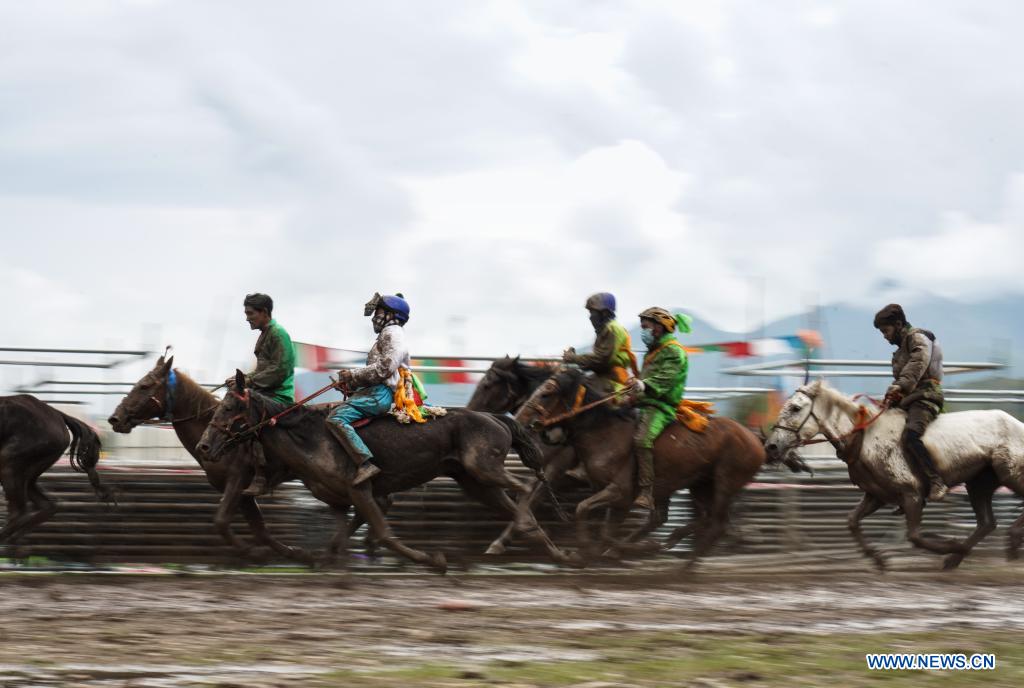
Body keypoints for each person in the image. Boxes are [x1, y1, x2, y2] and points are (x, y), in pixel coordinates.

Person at [327, 292, 412, 486]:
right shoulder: (387, 334)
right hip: (375, 391)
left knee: (335, 418)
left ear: (391, 314)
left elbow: (386, 367)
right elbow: (378, 372)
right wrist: (349, 384)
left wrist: (353, 375)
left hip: (380, 394)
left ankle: (365, 464)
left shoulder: (393, 333)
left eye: (378, 313)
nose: (374, 318)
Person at [874, 303, 947, 501]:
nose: (885, 336)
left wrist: (901, 385)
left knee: (911, 435)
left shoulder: (918, 338)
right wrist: (892, 396)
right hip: (909, 399)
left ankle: (936, 481)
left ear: (898, 324)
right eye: (882, 332)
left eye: (886, 331)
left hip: (926, 396)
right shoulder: (899, 352)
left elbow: (918, 362)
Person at [628, 307, 691, 511]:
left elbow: (665, 379)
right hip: (643, 402)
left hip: (661, 406)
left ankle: (646, 492)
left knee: (642, 440)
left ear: (658, 327)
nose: (643, 331)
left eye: (645, 327)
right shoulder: (653, 351)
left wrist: (644, 385)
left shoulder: (674, 350)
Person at [234, 293, 295, 496]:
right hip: (263, 392)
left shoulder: (278, 334)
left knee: (248, 416)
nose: (247, 318)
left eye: (250, 313)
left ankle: (261, 475)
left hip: (278, 395)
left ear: (264, 312)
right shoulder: (265, 334)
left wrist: (249, 381)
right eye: (246, 313)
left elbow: (280, 370)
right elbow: (264, 370)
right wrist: (242, 379)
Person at [562, 292, 639, 393]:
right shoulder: (604, 330)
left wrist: (573, 358)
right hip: (601, 378)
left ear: (604, 313)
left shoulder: (613, 329)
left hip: (612, 382)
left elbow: (601, 359)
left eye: (592, 313)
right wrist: (575, 359)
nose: (590, 317)